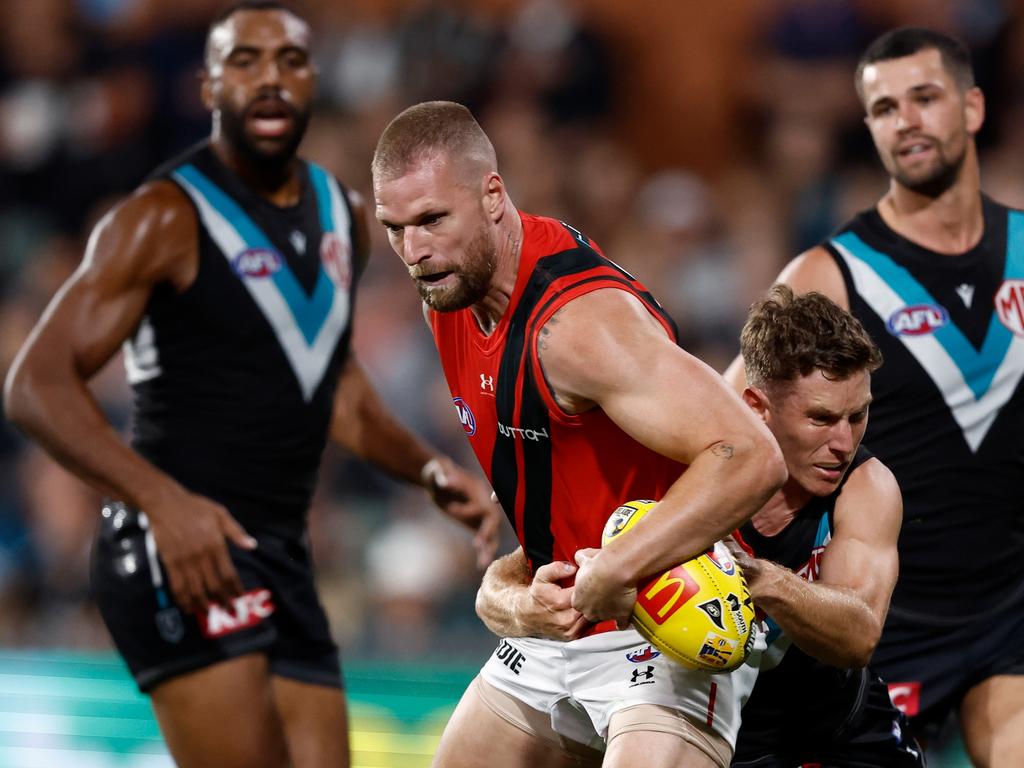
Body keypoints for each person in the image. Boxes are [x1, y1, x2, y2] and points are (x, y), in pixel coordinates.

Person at [2, 4, 501, 768]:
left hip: (277, 548)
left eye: (290, 61)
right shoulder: (162, 216)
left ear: (312, 81)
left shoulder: (343, 215)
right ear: (207, 85)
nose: (270, 78)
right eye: (245, 62)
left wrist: (431, 472)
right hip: (177, 543)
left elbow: (333, 386)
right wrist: (163, 503)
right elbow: (34, 385)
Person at [370, 100, 786, 768]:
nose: (414, 251)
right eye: (395, 229)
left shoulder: (579, 326)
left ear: (493, 196)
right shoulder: (448, 298)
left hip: (664, 622)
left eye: (432, 221)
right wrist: (513, 594)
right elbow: (554, 472)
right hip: (557, 629)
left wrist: (619, 566)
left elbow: (748, 455)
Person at [722, 26, 1024, 765]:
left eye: (925, 97)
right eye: (884, 107)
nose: (906, 120)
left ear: (975, 107)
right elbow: (726, 427)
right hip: (879, 615)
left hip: (1008, 612)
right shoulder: (828, 275)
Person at [480, 285, 925, 767]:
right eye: (820, 419)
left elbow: (860, 636)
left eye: (857, 415)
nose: (844, 441)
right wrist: (521, 607)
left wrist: (759, 579)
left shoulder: (866, 486)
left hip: (842, 743)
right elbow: (510, 578)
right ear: (756, 407)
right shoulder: (666, 460)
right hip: (707, 743)